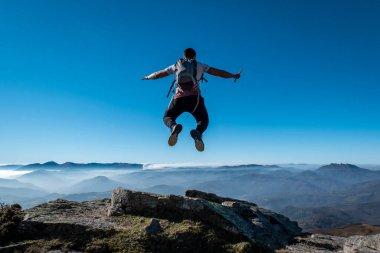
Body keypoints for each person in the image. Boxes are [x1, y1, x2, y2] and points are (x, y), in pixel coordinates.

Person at [142, 48, 240, 152]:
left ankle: (173, 127)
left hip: (178, 99)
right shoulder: (200, 65)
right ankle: (198, 133)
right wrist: (233, 75)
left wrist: (148, 77)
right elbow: (218, 72)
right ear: (195, 56)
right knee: (203, 120)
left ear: (184, 56)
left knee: (167, 117)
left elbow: (159, 74)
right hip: (195, 100)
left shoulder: (175, 66)